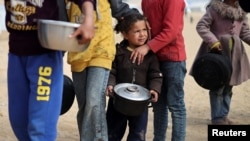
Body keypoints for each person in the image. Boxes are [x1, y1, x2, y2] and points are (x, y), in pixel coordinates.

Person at [4, 0, 95, 141]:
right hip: (16, 54)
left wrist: (88, 18)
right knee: (19, 121)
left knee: (40, 127)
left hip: (44, 55)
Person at [65, 0, 139, 140]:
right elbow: (61, 18)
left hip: (102, 49)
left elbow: (119, 8)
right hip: (77, 52)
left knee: (94, 101)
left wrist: (139, 19)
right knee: (85, 106)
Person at [130, 0, 187, 140]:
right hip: (154, 59)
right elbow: (147, 28)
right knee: (158, 106)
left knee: (176, 105)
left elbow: (171, 31)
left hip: (173, 58)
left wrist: (147, 47)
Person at [190, 0, 250, 125]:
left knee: (228, 87)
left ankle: (223, 115)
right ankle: (217, 118)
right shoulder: (214, 9)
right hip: (217, 55)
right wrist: (213, 41)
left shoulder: (242, 13)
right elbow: (201, 26)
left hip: (235, 55)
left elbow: (244, 33)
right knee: (217, 86)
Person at [105, 13, 163, 141]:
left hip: (140, 105)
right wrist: (110, 85)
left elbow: (155, 75)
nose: (142, 34)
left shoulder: (150, 56)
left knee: (138, 134)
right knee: (112, 133)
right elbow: (111, 71)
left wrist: (154, 89)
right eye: (137, 31)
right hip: (118, 102)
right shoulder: (118, 52)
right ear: (125, 34)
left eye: (144, 30)